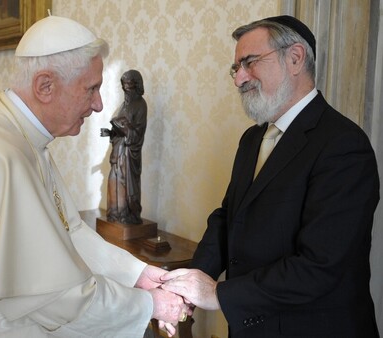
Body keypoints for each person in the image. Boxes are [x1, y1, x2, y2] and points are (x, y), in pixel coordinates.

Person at [0, 15, 188, 338]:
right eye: (91, 89)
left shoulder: (17, 136)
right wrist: (150, 305)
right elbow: (60, 298)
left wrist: (137, 274)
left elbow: (69, 230)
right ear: (45, 86)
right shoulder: (0, 155)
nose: (99, 103)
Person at [161, 15, 380, 338]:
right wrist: (190, 281)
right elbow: (228, 219)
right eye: (236, 68)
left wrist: (217, 294)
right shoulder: (252, 139)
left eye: (249, 62)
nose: (239, 79)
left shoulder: (344, 144)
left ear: (294, 58)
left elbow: (320, 266)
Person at [101, 69, 147, 224]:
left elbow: (138, 133)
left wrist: (125, 127)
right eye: (123, 86)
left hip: (128, 154)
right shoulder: (123, 105)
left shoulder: (140, 104)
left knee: (124, 183)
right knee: (113, 180)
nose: (126, 90)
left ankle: (127, 215)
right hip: (117, 151)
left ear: (136, 85)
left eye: (129, 86)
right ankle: (114, 215)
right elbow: (119, 130)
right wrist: (111, 132)